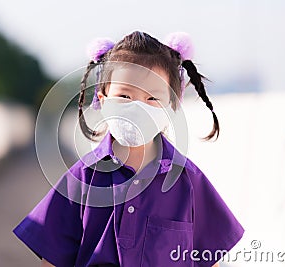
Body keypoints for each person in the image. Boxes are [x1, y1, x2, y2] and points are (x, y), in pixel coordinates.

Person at [12, 31, 245, 267]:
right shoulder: (80, 179)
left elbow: (210, 259)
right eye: (125, 95)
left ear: (172, 105)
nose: (138, 108)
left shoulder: (190, 181)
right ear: (103, 100)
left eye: (152, 99)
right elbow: (51, 260)